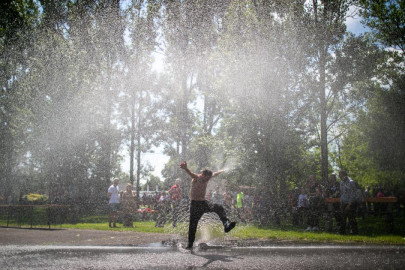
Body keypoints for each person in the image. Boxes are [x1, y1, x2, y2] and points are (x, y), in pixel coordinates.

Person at [180, 161, 236, 250]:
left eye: (209, 178)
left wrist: (223, 170)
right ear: (202, 174)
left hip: (203, 203)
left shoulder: (208, 177)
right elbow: (190, 173)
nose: (208, 180)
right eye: (207, 178)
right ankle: (190, 245)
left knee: (219, 207)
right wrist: (185, 168)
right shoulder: (196, 178)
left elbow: (215, 174)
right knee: (193, 225)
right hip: (194, 205)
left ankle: (226, 225)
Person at [339, 170, 358, 234]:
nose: (339, 176)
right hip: (343, 202)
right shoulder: (341, 182)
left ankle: (354, 231)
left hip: (350, 203)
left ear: (344, 175)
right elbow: (342, 193)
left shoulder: (351, 182)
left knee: (351, 218)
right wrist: (341, 201)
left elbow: (353, 194)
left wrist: (349, 204)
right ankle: (342, 232)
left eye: (340, 174)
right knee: (342, 218)